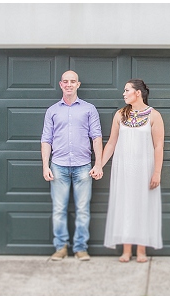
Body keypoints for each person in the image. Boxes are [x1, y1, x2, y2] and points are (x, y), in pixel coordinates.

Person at [91, 78, 164, 263]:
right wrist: (99, 164)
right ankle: (126, 250)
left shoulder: (154, 116)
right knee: (125, 205)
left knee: (143, 206)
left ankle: (141, 250)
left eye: (126, 90)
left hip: (144, 169)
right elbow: (112, 143)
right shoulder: (120, 115)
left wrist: (157, 172)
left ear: (137, 93)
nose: (123, 94)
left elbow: (158, 146)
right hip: (123, 169)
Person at [41, 70, 103, 261]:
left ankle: (80, 248)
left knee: (83, 209)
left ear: (78, 84)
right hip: (58, 166)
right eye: (65, 81)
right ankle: (61, 247)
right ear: (61, 85)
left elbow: (97, 137)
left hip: (83, 166)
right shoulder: (52, 111)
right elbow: (46, 140)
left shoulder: (89, 109)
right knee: (59, 209)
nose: (69, 84)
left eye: (72, 81)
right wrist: (45, 166)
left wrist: (99, 164)